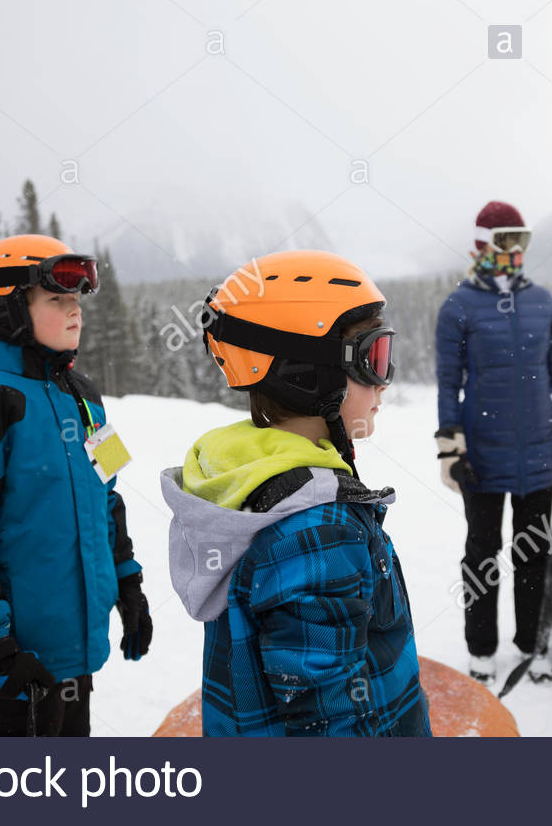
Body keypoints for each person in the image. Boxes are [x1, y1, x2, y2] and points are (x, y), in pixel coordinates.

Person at [163, 250, 431, 736]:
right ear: (305, 375)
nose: (384, 384)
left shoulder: (251, 479)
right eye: (374, 359)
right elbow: (333, 728)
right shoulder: (321, 532)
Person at [0, 234, 151, 736]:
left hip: (77, 655)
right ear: (7, 310)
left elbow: (106, 494)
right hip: (18, 666)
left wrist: (128, 583)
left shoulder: (84, 397)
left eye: (77, 301)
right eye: (57, 299)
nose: (76, 312)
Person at [434, 201, 552, 685]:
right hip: (481, 457)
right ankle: (481, 649)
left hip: (540, 455)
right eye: (507, 239)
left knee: (533, 556)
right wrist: (450, 450)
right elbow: (447, 383)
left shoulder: (542, 301)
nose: (516, 249)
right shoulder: (459, 306)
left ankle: (532, 644)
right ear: (483, 243)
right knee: (482, 555)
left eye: (522, 239)